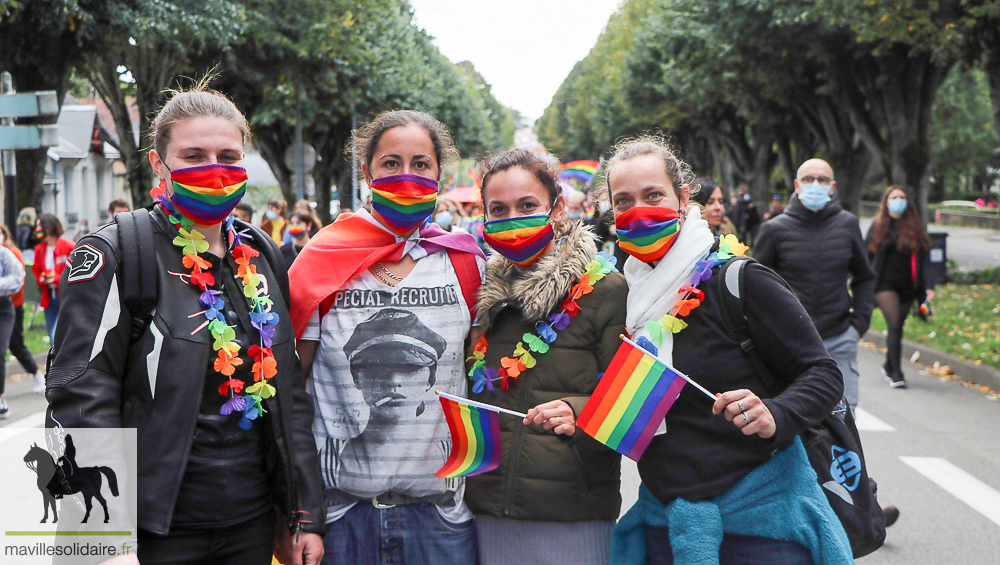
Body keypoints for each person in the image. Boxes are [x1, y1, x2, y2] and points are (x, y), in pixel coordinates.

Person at [44, 84, 325, 565]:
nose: (214, 170)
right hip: (156, 528)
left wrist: (303, 515)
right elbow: (81, 393)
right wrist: (99, 534)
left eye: (228, 156)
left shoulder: (261, 253)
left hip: (251, 521)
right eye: (193, 156)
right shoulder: (118, 251)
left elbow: (290, 396)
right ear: (159, 164)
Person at [602, 137, 851, 565]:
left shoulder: (740, 280)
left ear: (684, 197)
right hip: (666, 526)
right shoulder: (625, 293)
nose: (638, 210)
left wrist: (776, 413)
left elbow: (823, 373)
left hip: (761, 529)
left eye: (653, 195)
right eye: (623, 201)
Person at [288, 109, 486, 565]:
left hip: (441, 522)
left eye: (420, 164)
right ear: (366, 172)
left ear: (440, 173)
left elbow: (484, 376)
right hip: (340, 521)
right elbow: (290, 396)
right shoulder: (320, 260)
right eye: (390, 163)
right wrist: (300, 515)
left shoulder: (467, 263)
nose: (406, 175)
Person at [464, 148, 627, 565]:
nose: (512, 220)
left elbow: (631, 402)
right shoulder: (484, 297)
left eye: (527, 206)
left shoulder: (607, 290)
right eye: (498, 209)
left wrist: (578, 411)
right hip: (488, 509)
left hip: (574, 512)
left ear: (556, 208)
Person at [754, 158, 875, 410]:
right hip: (790, 344)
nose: (815, 185)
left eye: (822, 180)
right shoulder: (774, 229)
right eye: (808, 179)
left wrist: (858, 325)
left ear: (833, 187)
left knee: (844, 419)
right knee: (796, 422)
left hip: (839, 338)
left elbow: (864, 276)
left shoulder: (848, 224)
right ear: (797, 186)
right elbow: (755, 284)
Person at [865, 185, 935, 389]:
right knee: (894, 324)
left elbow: (925, 259)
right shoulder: (877, 225)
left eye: (902, 197)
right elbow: (865, 256)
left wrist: (929, 286)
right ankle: (896, 373)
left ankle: (888, 364)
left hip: (908, 286)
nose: (898, 201)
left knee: (898, 329)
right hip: (883, 285)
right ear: (886, 202)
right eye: (894, 197)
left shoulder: (915, 228)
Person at [0, 224, 41, 394]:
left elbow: (19, 279)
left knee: (15, 345)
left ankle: (36, 373)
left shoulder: (11, 254)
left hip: (12, 306)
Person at [32, 213, 74, 343]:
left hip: (66, 297)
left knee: (56, 336)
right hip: (49, 298)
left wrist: (56, 279)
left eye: (40, 226)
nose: (37, 229)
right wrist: (42, 278)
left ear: (48, 228)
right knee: (52, 338)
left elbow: (75, 271)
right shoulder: (39, 249)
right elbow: (37, 271)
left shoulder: (68, 246)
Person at [0, 226, 26, 419]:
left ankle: (0, 397)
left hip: (3, 307)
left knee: (0, 351)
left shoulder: (4, 253)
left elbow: (19, 277)